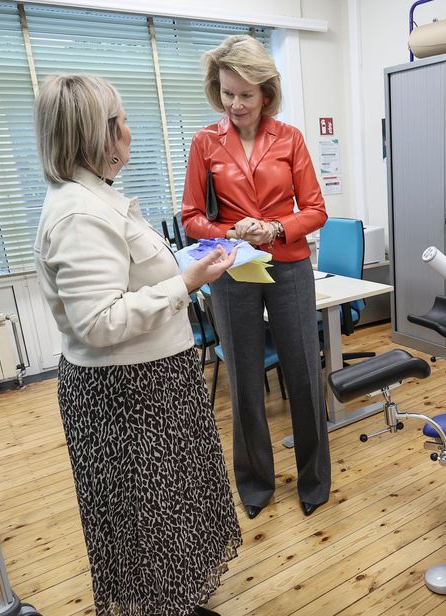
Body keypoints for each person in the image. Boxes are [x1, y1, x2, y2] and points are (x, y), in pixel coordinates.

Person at [32, 74, 240, 616]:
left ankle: (166, 594)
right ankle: (168, 608)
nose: (130, 129)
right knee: (152, 504)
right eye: (120, 120)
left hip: (150, 377)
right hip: (127, 390)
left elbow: (128, 278)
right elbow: (98, 323)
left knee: (165, 495)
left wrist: (182, 269)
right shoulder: (81, 215)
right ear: (96, 137)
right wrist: (186, 283)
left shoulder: (96, 197)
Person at [182, 35, 330, 520]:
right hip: (232, 270)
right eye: (227, 93)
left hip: (288, 265)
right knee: (245, 378)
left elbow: (315, 210)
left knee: (304, 373)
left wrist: (274, 227)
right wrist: (235, 233)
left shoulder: (289, 139)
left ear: (266, 93)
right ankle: (255, 484)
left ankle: (314, 480)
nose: (236, 104)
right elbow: (191, 216)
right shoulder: (206, 142)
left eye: (246, 94)